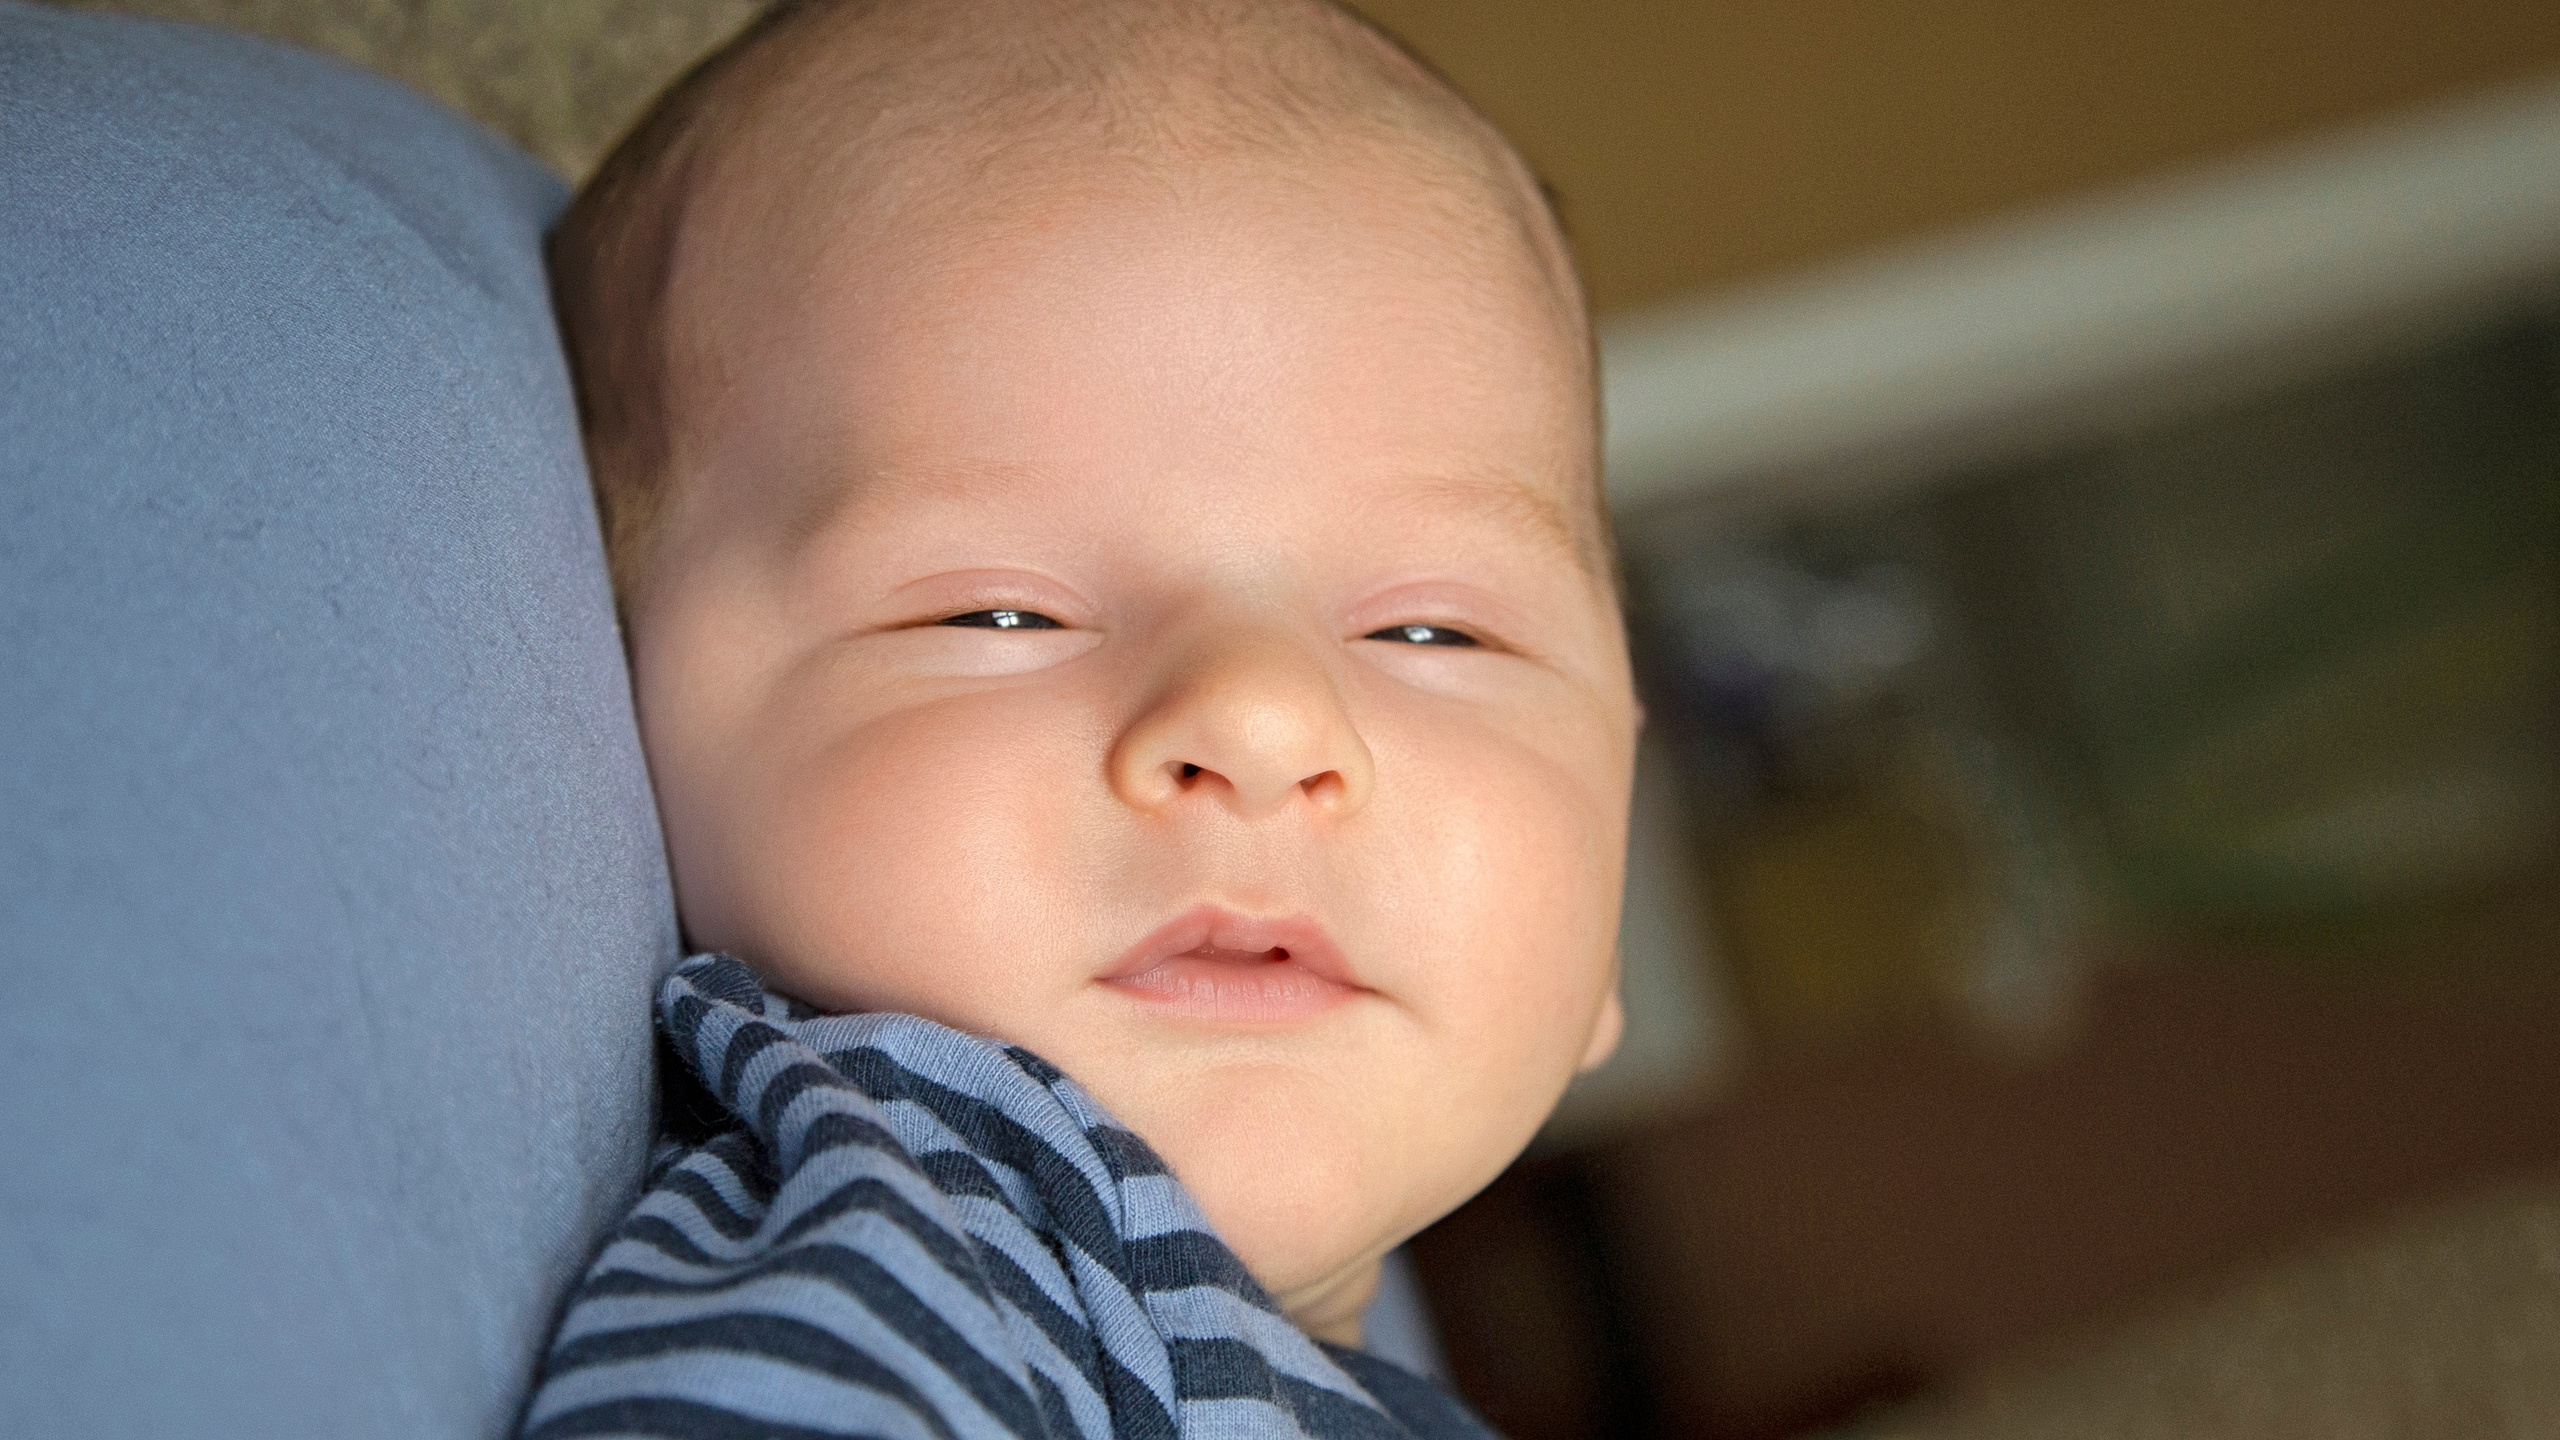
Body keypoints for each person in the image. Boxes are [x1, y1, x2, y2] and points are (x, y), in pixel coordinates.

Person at [524, 0, 1636, 1433]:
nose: (1260, 718)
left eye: (1434, 630)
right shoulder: (903, 1280)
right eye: (998, 615)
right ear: (613, 705)